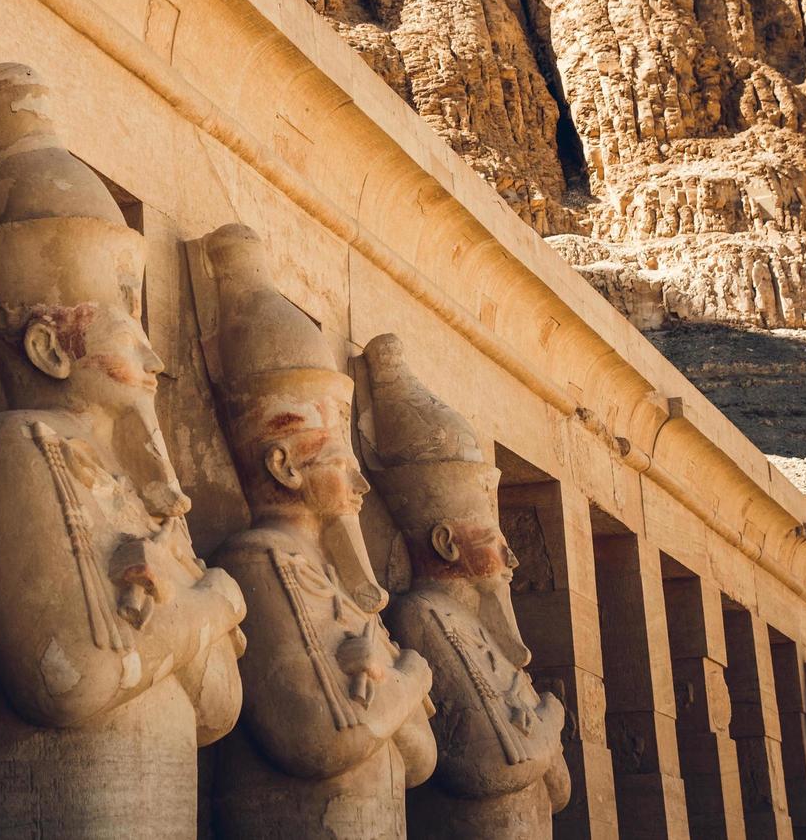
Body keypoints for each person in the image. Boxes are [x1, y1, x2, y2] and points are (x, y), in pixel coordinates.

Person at [0, 63, 246, 838]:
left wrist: (178, 621)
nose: (152, 356)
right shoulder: (15, 451)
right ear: (47, 346)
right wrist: (210, 603)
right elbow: (75, 681)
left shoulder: (139, 493)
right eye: (123, 320)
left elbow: (216, 710)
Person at [200, 224, 436, 838]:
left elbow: (418, 759)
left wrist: (389, 690)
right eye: (341, 460)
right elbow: (326, 739)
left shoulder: (324, 576)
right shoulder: (259, 561)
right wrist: (410, 674)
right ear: (283, 465)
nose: (360, 486)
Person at [363, 334, 571, 839]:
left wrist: (538, 733)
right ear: (447, 542)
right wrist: (553, 718)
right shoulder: (422, 615)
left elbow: (560, 789)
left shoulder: (476, 629)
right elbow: (495, 763)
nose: (512, 558)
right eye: (495, 541)